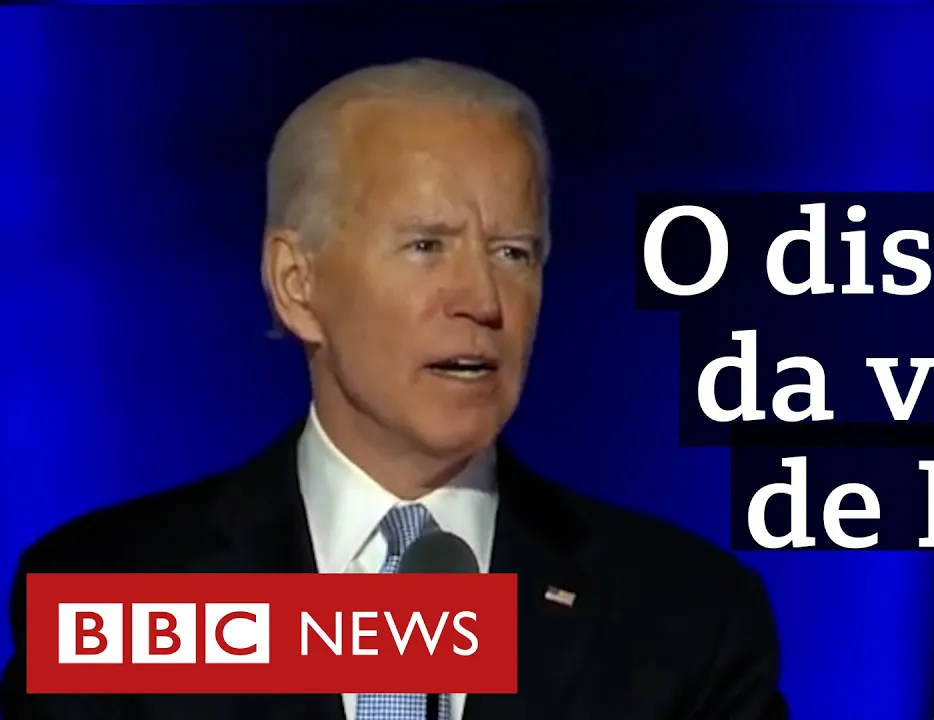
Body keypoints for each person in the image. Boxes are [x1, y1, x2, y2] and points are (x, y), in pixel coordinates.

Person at [0, 59, 786, 720]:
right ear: (296, 284)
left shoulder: (687, 620)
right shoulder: (112, 592)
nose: (483, 299)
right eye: (426, 246)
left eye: (514, 253)